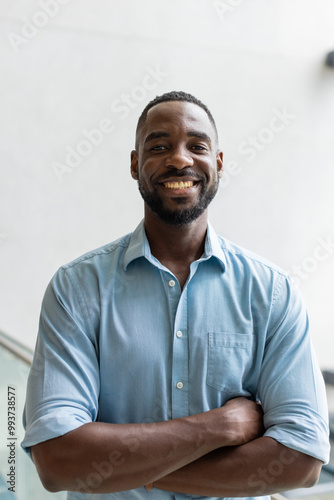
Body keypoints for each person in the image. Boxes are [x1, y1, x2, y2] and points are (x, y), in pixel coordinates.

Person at [22, 91, 330, 500]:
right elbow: (58, 460)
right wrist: (219, 428)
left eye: (197, 146)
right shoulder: (77, 289)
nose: (180, 160)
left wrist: (128, 470)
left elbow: (301, 460)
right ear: (135, 165)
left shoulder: (272, 293)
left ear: (218, 164)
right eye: (160, 146)